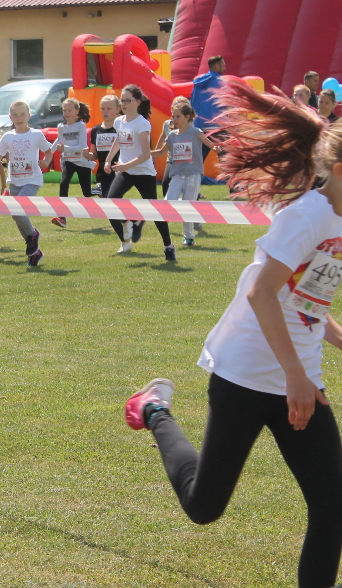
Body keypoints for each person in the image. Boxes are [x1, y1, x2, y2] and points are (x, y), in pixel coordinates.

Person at [125, 80, 342, 588]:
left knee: (333, 506)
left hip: (298, 378)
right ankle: (154, 408)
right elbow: (262, 294)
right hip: (247, 374)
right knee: (204, 507)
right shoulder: (308, 215)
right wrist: (294, 375)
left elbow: (304, 299)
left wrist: (333, 341)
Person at [104, 84, 176, 261]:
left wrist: (125, 166)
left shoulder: (143, 124)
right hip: (125, 170)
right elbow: (119, 142)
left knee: (155, 211)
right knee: (110, 202)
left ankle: (168, 246)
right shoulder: (119, 121)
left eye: (128, 100)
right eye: (122, 100)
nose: (124, 104)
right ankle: (127, 227)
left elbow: (145, 154)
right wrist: (108, 159)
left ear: (137, 102)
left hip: (143, 172)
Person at [0, 100, 52, 268]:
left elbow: (48, 151)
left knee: (18, 210)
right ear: (11, 117)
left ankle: (32, 235)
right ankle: (35, 252)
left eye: (23, 114)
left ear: (28, 116)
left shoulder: (36, 135)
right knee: (16, 216)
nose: (19, 118)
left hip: (32, 180)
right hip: (15, 181)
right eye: (15, 115)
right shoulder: (8, 136)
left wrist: (46, 161)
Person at [161, 101, 221, 246]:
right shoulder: (172, 136)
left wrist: (216, 148)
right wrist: (144, 153)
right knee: (168, 204)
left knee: (188, 208)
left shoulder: (196, 132)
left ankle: (189, 237)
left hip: (193, 174)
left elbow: (210, 144)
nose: (174, 120)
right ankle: (192, 205)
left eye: (177, 116)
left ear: (187, 117)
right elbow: (161, 152)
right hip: (177, 174)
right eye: (173, 116)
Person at [51, 98, 92, 228]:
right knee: (63, 184)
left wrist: (65, 149)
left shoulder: (81, 125)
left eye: (70, 110)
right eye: (64, 110)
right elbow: (59, 140)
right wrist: (48, 152)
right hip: (68, 160)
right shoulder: (61, 126)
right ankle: (62, 217)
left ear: (77, 111)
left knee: (87, 192)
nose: (67, 113)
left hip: (81, 161)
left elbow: (83, 146)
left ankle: (100, 190)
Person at [85, 94, 120, 198]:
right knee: (105, 202)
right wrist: (87, 154)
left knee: (114, 200)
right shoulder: (96, 130)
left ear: (118, 110)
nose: (105, 111)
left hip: (118, 172)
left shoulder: (120, 129)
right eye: (103, 108)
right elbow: (94, 155)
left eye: (109, 108)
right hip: (102, 174)